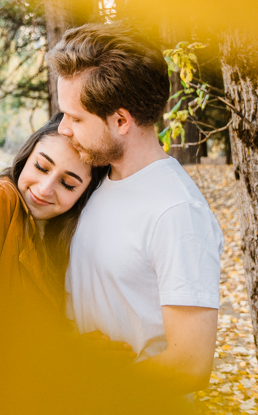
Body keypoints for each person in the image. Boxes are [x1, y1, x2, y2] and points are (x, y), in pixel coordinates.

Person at [49, 23, 224, 394]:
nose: (63, 129)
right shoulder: (99, 180)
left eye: (76, 118)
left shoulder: (176, 212)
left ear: (121, 121)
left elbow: (189, 364)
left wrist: (90, 392)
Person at [0, 114, 105, 306]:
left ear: (83, 193)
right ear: (27, 156)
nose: (45, 189)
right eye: (41, 167)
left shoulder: (62, 238)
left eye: (67, 184)